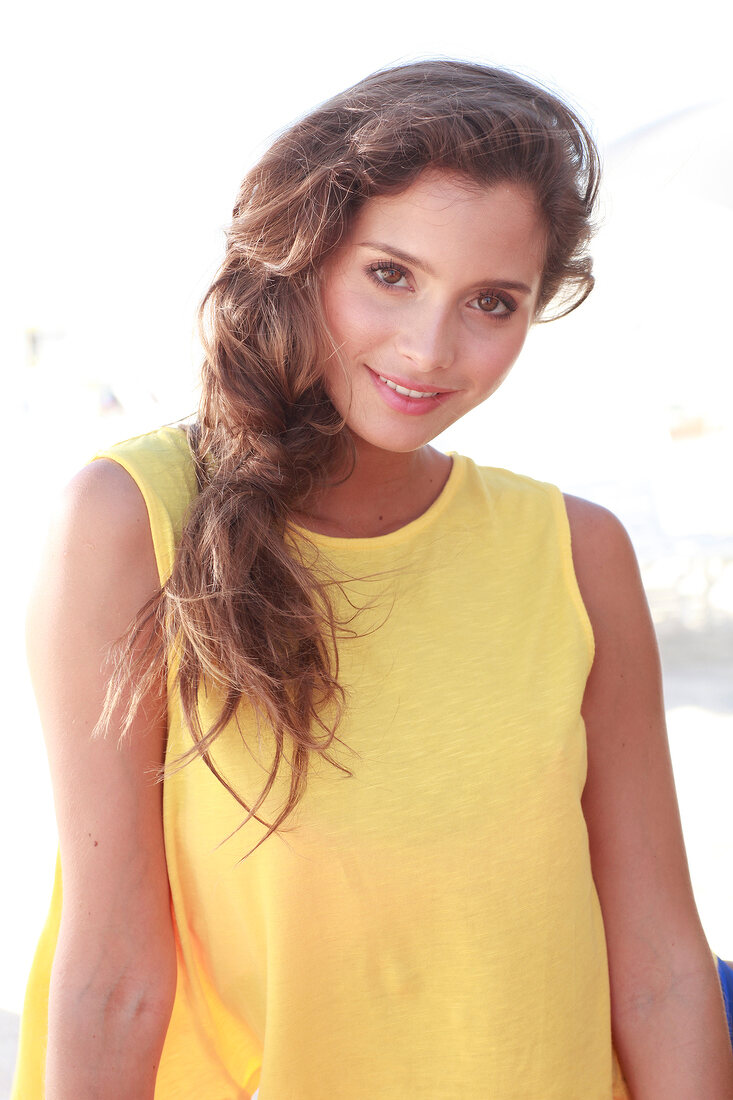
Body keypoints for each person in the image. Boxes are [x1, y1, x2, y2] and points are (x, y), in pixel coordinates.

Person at [11, 60, 733, 1099]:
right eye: (390, 274)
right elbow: (113, 972)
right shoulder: (129, 522)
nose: (429, 348)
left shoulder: (577, 553)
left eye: (492, 301)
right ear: (303, 255)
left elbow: (661, 964)